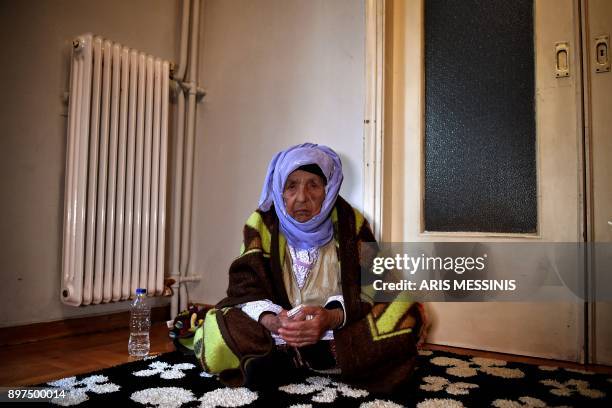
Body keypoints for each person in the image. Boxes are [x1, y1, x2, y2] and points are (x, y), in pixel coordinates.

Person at [193, 143, 425, 393]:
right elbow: (244, 287)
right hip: (274, 330)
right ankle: (310, 358)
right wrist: (273, 320)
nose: (302, 197)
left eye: (313, 184)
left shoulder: (351, 222)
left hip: (336, 331)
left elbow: (374, 283)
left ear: (328, 188)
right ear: (280, 191)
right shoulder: (261, 223)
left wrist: (331, 318)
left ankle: (289, 359)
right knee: (216, 326)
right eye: (291, 186)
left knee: (404, 309)